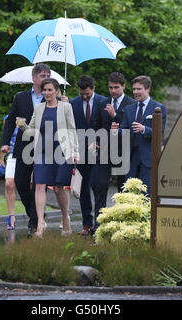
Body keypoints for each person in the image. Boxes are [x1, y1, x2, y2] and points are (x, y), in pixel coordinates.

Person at [19, 78, 79, 238]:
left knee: (59, 188)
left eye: (50, 90)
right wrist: (22, 125)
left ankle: (65, 217)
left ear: (56, 91)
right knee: (39, 185)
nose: (46, 93)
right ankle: (40, 223)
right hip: (42, 152)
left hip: (62, 152)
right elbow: (31, 129)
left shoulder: (66, 107)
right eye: (44, 90)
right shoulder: (38, 108)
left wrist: (75, 152)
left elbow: (72, 130)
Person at [1, 63, 51, 238]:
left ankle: (34, 223)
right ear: (34, 78)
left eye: (47, 76)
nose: (45, 79)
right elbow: (9, 122)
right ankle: (36, 216)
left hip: (44, 147)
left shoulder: (53, 97)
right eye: (42, 76)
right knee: (21, 182)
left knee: (39, 184)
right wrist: (5, 143)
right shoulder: (20, 97)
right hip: (23, 146)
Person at [92, 72, 135, 232]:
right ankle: (99, 225)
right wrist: (95, 142)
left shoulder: (131, 104)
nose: (113, 91)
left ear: (123, 86)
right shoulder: (102, 102)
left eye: (116, 87)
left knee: (122, 189)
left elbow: (129, 127)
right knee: (100, 187)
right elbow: (96, 125)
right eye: (110, 87)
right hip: (104, 152)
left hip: (123, 152)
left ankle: (122, 226)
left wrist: (114, 115)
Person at [113, 75, 167, 196]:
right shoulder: (129, 108)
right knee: (129, 193)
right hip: (130, 157)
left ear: (147, 89)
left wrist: (144, 129)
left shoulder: (158, 108)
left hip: (148, 157)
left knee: (146, 194)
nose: (135, 92)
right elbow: (124, 130)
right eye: (134, 89)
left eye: (139, 89)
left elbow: (159, 133)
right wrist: (116, 131)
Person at [69, 75, 106, 236]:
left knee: (97, 186)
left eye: (87, 93)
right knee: (83, 188)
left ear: (93, 88)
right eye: (82, 93)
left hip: (99, 152)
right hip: (81, 153)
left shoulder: (103, 102)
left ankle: (100, 224)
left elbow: (105, 125)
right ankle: (86, 224)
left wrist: (98, 142)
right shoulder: (72, 103)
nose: (84, 96)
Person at [0, 115, 18, 230]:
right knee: (9, 184)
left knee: (31, 186)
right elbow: (5, 139)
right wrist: (1, 160)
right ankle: (11, 217)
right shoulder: (7, 118)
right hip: (12, 155)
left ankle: (37, 217)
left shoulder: (31, 114)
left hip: (28, 156)